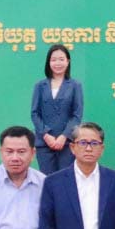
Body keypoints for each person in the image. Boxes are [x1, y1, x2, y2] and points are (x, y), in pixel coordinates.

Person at [30, 43, 83, 174]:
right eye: (53, 60)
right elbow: (35, 113)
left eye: (61, 59)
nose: (57, 63)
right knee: (47, 179)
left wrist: (64, 136)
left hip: (67, 143)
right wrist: (45, 135)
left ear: (67, 61)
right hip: (44, 143)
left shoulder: (75, 85)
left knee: (65, 178)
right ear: (48, 62)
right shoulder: (40, 85)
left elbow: (77, 115)